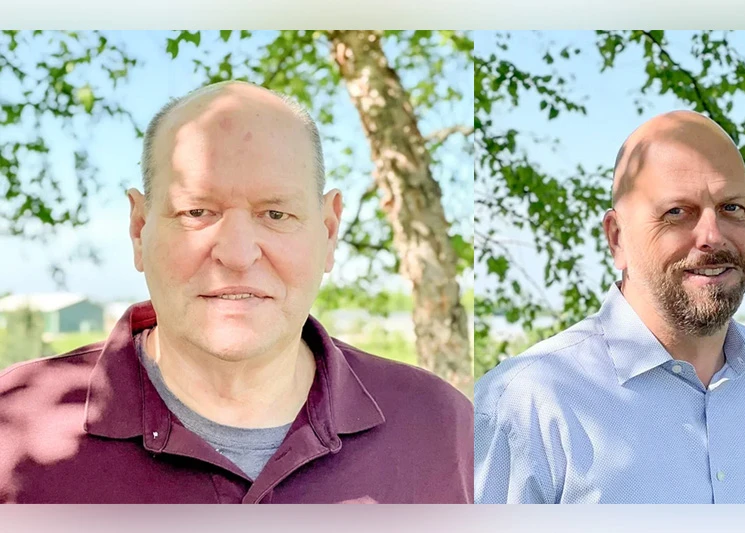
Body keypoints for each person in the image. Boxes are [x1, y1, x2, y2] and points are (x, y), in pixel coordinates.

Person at [0, 81, 473, 504]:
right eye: (198, 211)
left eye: (275, 214)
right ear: (139, 228)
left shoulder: (443, 427)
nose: (237, 254)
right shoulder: (12, 429)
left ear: (329, 232)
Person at [474, 110, 745, 504]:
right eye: (677, 212)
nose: (712, 236)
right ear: (617, 238)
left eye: (732, 208)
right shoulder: (526, 405)